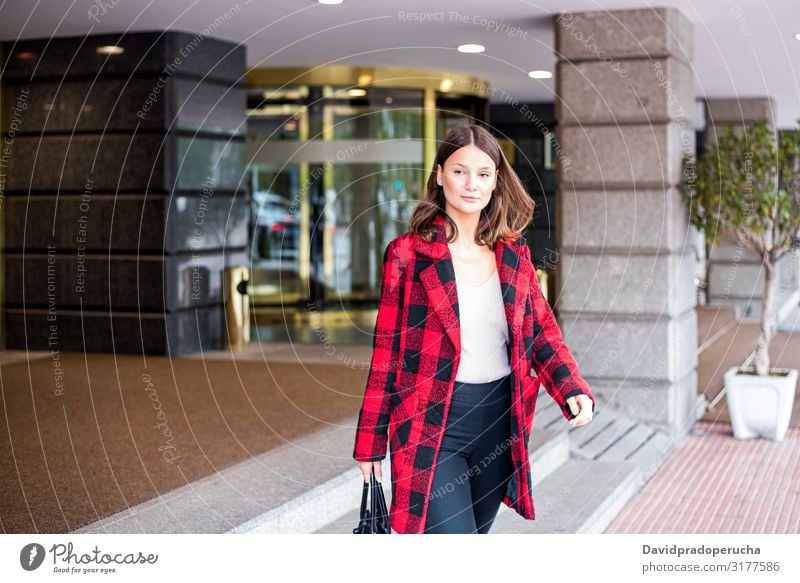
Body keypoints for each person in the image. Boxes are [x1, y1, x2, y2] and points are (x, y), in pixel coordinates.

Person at [353, 123, 595, 534]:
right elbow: (387, 354)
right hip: (432, 424)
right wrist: (371, 439)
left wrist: (572, 388)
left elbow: (541, 332)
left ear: (496, 181)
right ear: (439, 175)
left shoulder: (513, 251)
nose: (471, 184)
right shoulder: (408, 254)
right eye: (460, 171)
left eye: (483, 174)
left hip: (499, 424)